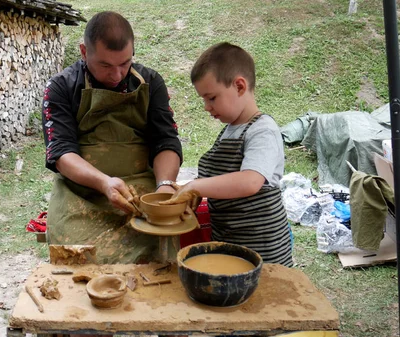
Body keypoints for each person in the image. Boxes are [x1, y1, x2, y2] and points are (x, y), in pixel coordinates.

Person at [41, 11, 183, 264]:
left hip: (142, 193)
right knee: (79, 262)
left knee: (156, 262)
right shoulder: (61, 87)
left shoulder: (150, 82)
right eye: (105, 65)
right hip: (80, 193)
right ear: (84, 52)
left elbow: (166, 141)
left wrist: (164, 186)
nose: (117, 75)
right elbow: (61, 153)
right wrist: (104, 183)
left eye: (125, 63)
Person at [162, 42, 293, 267]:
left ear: (240, 86)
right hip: (231, 242)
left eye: (211, 98)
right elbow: (221, 182)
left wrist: (196, 186)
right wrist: (188, 192)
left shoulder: (263, 130)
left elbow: (250, 181)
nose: (206, 106)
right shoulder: (230, 130)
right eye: (204, 99)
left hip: (263, 250)